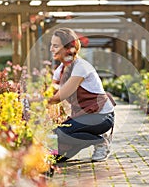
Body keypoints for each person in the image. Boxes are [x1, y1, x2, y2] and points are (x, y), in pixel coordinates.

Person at [48, 27, 116, 162]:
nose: (51, 49)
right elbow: (49, 92)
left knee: (61, 133)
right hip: (82, 116)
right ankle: (51, 155)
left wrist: (36, 101)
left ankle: (100, 141)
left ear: (68, 48)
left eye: (55, 46)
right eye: (51, 45)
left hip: (101, 116)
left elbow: (58, 97)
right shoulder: (60, 70)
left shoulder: (80, 67)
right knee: (57, 156)